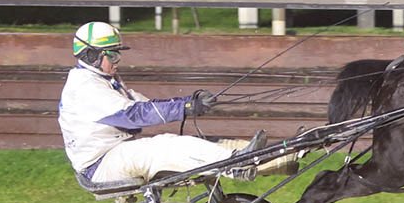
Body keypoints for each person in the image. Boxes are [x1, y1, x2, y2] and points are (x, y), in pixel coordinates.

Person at [58, 21, 273, 186]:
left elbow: (147, 105)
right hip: (101, 165)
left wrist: (188, 102)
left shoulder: (106, 81)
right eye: (112, 55)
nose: (118, 60)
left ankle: (238, 160)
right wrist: (184, 108)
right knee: (167, 145)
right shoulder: (85, 87)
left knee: (182, 142)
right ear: (91, 55)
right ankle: (235, 166)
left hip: (114, 154)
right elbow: (134, 115)